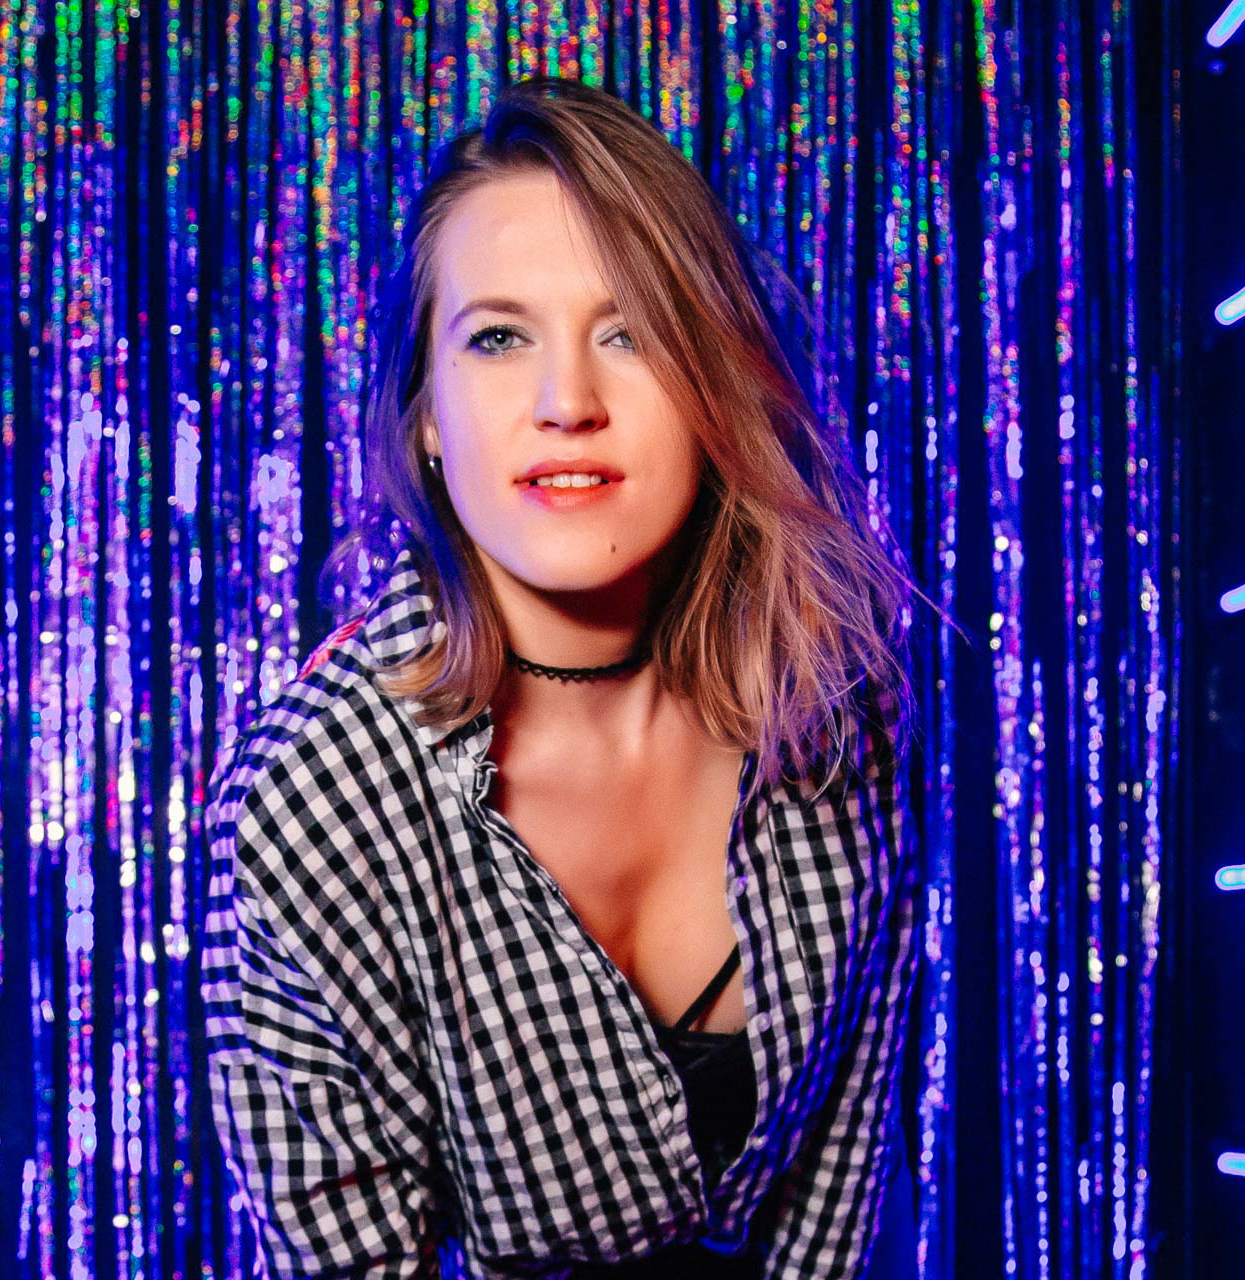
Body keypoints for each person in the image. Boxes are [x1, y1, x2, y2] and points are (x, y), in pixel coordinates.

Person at [201, 76, 923, 1278]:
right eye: (498, 337)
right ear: (426, 415)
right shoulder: (315, 796)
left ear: (711, 382)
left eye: (629, 332)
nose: (567, 403)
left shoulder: (839, 696)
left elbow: (845, 1179)